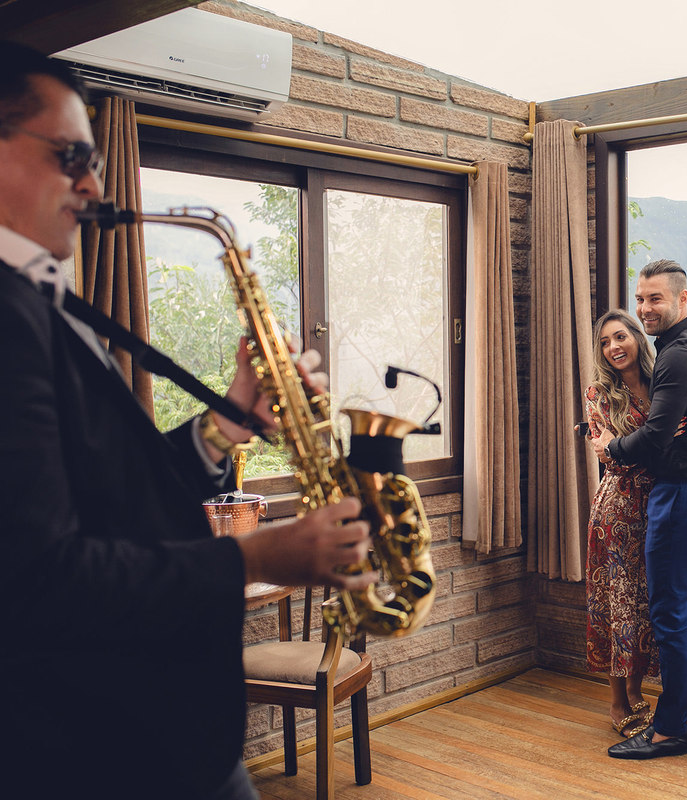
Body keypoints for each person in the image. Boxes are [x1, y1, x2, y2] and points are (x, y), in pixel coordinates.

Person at [0, 43, 376, 799]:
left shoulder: (42, 300)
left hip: (155, 742)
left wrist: (229, 421)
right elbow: (39, 583)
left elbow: (111, 493)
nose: (93, 183)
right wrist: (258, 558)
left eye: (96, 159)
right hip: (101, 754)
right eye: (70, 154)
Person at [592, 259, 687, 760]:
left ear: (682, 299)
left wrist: (612, 448)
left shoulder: (677, 355)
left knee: (672, 617)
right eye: (640, 299)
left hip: (684, 497)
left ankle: (667, 730)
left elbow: (655, 438)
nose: (644, 308)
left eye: (654, 299)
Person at [583, 309, 659, 738]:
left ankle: (636, 692)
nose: (614, 348)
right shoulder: (599, 393)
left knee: (646, 606)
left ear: (636, 338)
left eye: (620, 337)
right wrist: (633, 451)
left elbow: (681, 438)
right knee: (618, 606)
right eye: (605, 343)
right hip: (617, 512)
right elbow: (608, 455)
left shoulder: (659, 383)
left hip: (659, 509)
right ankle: (616, 701)